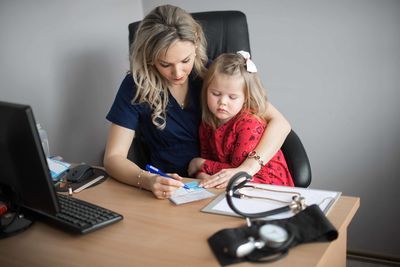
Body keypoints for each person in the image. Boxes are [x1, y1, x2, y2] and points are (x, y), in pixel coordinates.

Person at [103, 5, 291, 199]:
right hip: (172, 188)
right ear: (150, 58)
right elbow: (113, 157)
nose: (177, 73)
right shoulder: (136, 85)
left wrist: (246, 169)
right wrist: (147, 180)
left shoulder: (215, 78)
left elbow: (281, 123)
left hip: (223, 183)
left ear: (196, 43)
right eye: (165, 64)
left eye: (185, 61)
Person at [188, 52, 294, 187]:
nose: (223, 102)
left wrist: (200, 164)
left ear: (246, 98)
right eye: (215, 94)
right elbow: (210, 165)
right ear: (206, 90)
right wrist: (201, 174)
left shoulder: (249, 124)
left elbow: (237, 171)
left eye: (232, 97)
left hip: (265, 182)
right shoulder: (206, 124)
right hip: (233, 182)